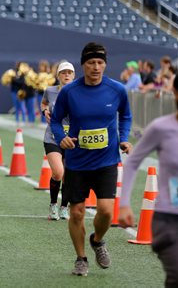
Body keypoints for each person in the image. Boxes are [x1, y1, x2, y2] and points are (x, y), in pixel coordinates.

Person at [51, 42, 133, 276]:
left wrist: (124, 138)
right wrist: (62, 138)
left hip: (106, 161)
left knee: (106, 211)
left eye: (100, 63)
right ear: (83, 65)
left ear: (105, 64)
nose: (96, 67)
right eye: (91, 63)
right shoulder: (70, 91)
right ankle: (81, 258)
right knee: (76, 212)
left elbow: (125, 115)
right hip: (77, 162)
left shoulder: (117, 89)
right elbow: (56, 120)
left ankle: (97, 241)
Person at [119, 74, 178, 287]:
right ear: (176, 94)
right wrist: (124, 203)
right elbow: (133, 162)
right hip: (169, 219)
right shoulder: (161, 128)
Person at [40, 61, 75, 220]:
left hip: (73, 139)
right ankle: (53, 204)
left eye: (69, 72)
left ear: (74, 75)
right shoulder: (50, 90)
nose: (66, 75)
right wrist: (44, 110)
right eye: (63, 72)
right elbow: (44, 103)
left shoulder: (80, 92)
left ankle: (64, 207)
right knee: (58, 172)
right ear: (58, 75)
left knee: (70, 175)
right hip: (53, 137)